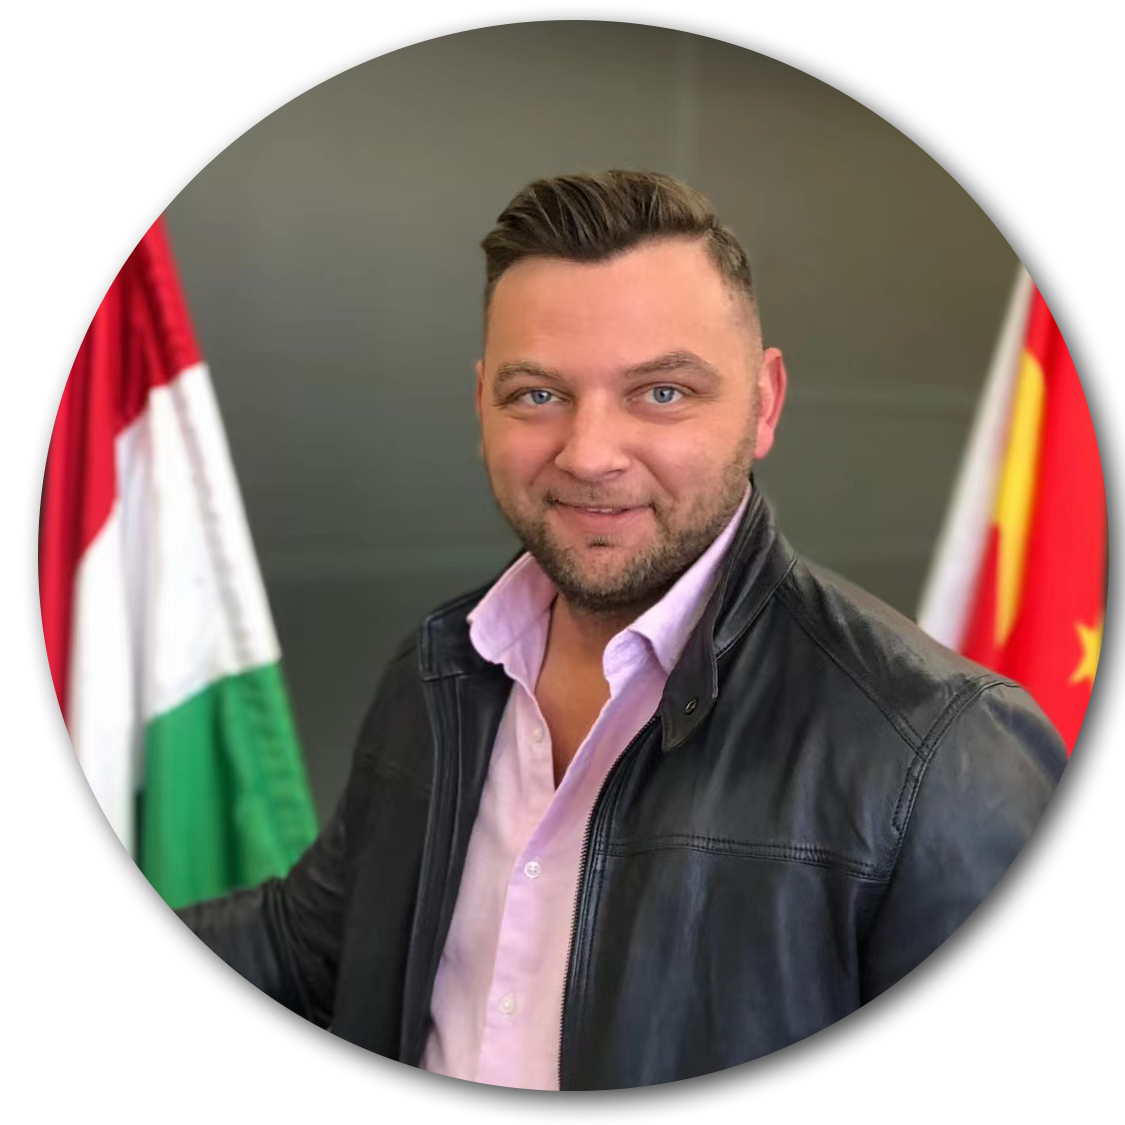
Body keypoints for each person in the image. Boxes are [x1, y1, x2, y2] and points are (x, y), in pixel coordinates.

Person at [178, 170, 1066, 1088]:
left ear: (762, 403)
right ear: (481, 403)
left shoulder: (943, 754)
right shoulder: (441, 670)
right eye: (537, 395)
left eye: (662, 393)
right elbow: (311, 944)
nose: (590, 453)